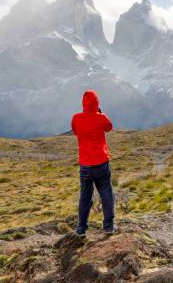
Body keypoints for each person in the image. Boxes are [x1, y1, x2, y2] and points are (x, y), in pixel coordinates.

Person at [71, 90, 115, 236]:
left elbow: (76, 132)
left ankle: (81, 229)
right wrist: (99, 113)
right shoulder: (101, 117)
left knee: (85, 197)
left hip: (85, 165)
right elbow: (109, 127)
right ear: (97, 103)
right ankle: (108, 227)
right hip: (101, 162)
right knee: (106, 193)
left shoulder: (76, 118)